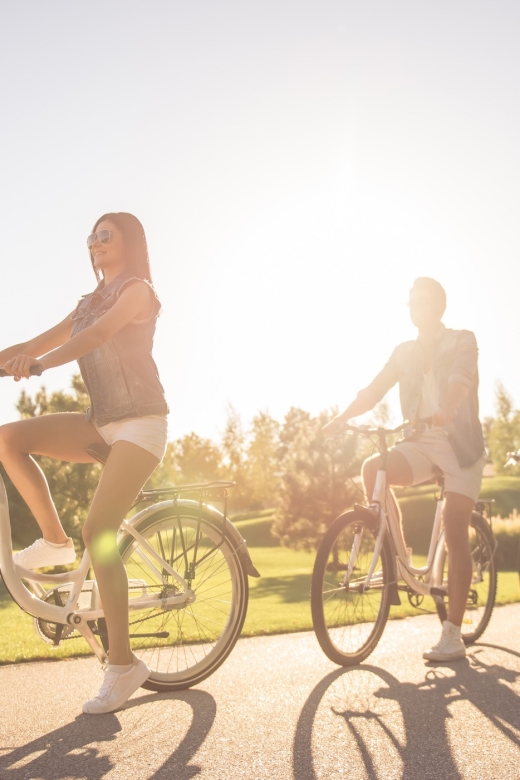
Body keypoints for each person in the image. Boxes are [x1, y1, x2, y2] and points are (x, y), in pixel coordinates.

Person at [0, 212, 169, 712]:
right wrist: (20, 356)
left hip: (141, 424)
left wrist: (41, 366)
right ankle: (54, 542)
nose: (94, 243)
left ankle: (123, 665)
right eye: (91, 237)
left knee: (99, 530)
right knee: (8, 439)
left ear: (129, 241)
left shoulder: (138, 291)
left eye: (105, 234)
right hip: (101, 421)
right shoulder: (85, 304)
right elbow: (33, 345)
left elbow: (93, 339)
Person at [322, 277, 486, 662]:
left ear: (439, 307)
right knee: (372, 470)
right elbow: (375, 388)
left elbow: (461, 378)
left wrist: (449, 406)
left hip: (459, 446)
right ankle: (397, 554)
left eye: (422, 302)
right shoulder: (404, 352)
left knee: (454, 525)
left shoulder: (462, 340)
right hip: (421, 443)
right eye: (411, 303)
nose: (415, 308)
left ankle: (452, 635)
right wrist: (341, 418)